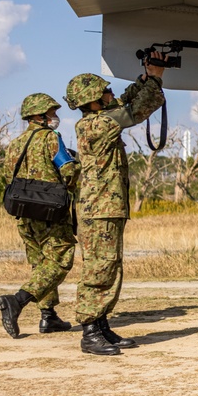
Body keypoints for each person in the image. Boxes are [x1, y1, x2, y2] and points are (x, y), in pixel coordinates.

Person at [65, 59, 165, 356]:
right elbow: (138, 109)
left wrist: (145, 78)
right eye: (105, 91)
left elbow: (124, 100)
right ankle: (89, 331)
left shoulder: (99, 117)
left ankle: (101, 325)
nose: (111, 93)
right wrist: (155, 81)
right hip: (100, 210)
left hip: (107, 208)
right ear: (92, 101)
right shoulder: (97, 124)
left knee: (109, 267)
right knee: (99, 268)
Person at [0, 93, 79, 338]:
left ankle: (48, 316)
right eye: (52, 113)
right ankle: (17, 301)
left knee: (41, 263)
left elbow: (7, 177)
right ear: (39, 116)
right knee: (60, 260)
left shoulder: (15, 143)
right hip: (50, 213)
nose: (55, 117)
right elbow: (68, 169)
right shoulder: (51, 138)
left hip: (24, 214)